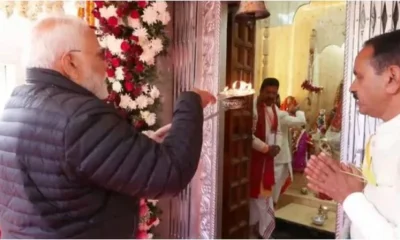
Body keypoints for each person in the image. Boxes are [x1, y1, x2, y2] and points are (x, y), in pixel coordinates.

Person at [0, 15, 216, 238]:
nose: (107, 64)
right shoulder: (80, 116)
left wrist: (141, 145)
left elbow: (69, 165)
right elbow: (170, 172)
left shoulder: (16, 102)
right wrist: (191, 102)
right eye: (99, 55)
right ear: (70, 63)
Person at [305, 29, 400, 239]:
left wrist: (349, 196)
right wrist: (359, 185)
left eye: (359, 77)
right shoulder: (385, 134)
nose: (352, 87)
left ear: (392, 79)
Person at [250, 78, 281, 239]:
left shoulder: (274, 109)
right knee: (259, 199)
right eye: (268, 92)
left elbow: (279, 132)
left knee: (262, 199)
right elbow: (247, 136)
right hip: (254, 161)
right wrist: (266, 148)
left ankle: (260, 232)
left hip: (268, 162)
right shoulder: (253, 108)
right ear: (261, 90)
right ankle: (261, 233)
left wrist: (277, 147)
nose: (271, 96)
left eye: (274, 93)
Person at [273, 95, 306, 204]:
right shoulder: (280, 114)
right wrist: (298, 110)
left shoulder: (266, 112)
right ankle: (272, 207)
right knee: (275, 187)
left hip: (273, 156)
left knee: (274, 186)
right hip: (280, 158)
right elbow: (301, 121)